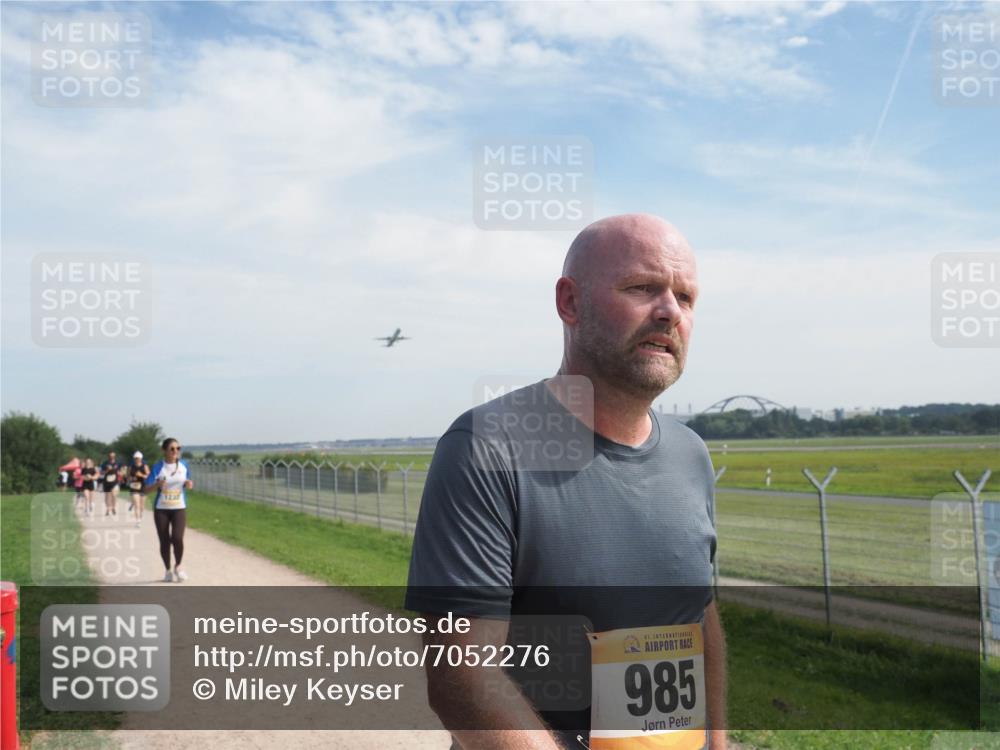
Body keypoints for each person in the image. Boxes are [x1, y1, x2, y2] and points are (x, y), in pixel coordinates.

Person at [406, 214, 726, 750]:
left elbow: (700, 618)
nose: (670, 311)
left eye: (686, 297)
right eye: (642, 288)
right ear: (570, 302)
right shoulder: (486, 448)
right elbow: (463, 678)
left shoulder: (691, 455)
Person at [146, 438, 193, 582]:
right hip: (162, 509)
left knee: (177, 538)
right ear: (164, 450)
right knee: (164, 541)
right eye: (172, 448)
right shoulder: (158, 467)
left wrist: (188, 484)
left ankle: (178, 566)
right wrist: (157, 485)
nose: (175, 451)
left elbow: (186, 481)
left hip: (179, 508)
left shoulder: (184, 465)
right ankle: (167, 570)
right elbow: (146, 489)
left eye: (178, 448)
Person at [126, 451, 150, 527]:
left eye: (138, 458)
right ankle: (138, 521)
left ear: (141, 458)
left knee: (142, 505)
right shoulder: (131, 467)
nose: (137, 459)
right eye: (136, 458)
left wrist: (141, 475)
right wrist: (131, 478)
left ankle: (140, 516)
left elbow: (149, 476)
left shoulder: (145, 466)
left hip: (143, 486)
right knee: (137, 504)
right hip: (134, 486)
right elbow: (127, 477)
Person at [100, 451, 122, 519]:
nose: (112, 457)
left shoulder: (118, 463)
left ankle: (113, 507)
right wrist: (107, 470)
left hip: (115, 481)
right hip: (107, 481)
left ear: (115, 456)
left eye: (113, 456)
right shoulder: (105, 463)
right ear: (108, 456)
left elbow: (121, 472)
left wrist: (119, 473)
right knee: (107, 496)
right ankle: (108, 508)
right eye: (110, 456)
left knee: (114, 495)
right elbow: (101, 472)